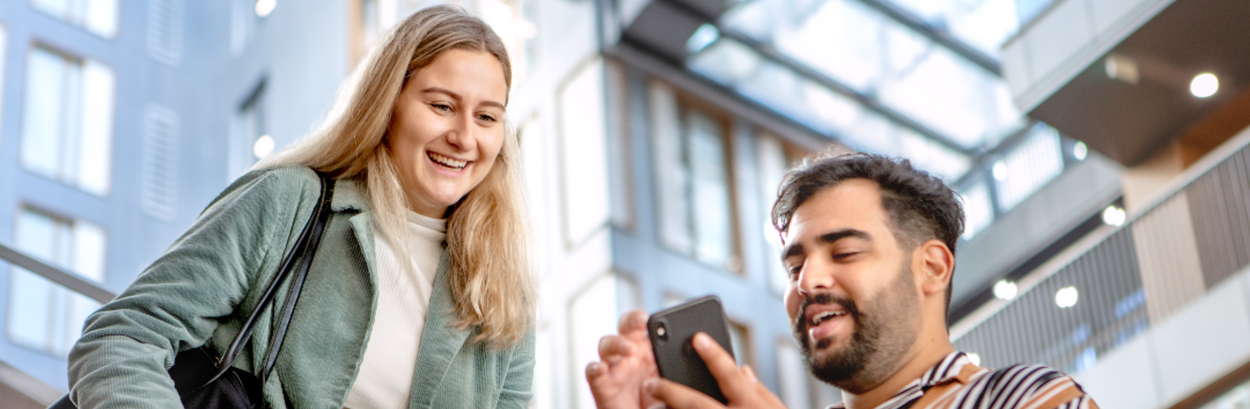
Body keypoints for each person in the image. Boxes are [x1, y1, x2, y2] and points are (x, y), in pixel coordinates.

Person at [66, 6, 536, 408]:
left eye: (487, 117)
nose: (465, 137)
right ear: (388, 104)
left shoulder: (501, 292)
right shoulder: (290, 203)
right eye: (441, 106)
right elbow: (122, 336)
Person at [586, 153, 1098, 409]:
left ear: (932, 267)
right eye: (794, 267)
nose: (808, 281)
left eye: (845, 251)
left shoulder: (1026, 397)